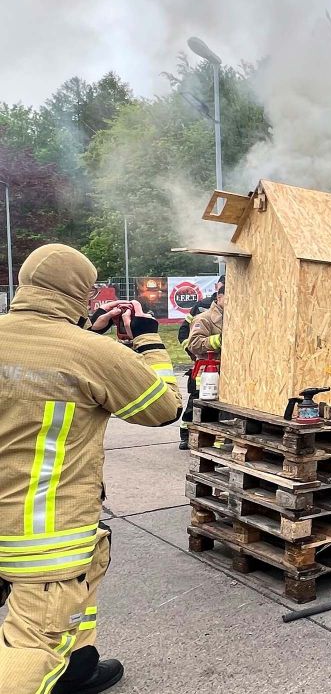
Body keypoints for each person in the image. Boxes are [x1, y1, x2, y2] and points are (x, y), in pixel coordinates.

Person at [0, 244, 182, 694]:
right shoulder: (92, 353)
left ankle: (78, 669)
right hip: (43, 533)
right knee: (36, 641)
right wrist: (147, 338)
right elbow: (164, 407)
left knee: (76, 599)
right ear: (80, 293)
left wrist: (84, 329)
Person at [178, 275, 224, 448]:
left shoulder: (236, 316)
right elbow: (193, 342)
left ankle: (216, 444)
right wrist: (220, 340)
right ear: (219, 296)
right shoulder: (203, 315)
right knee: (196, 406)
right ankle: (187, 435)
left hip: (225, 373)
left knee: (218, 411)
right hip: (206, 373)